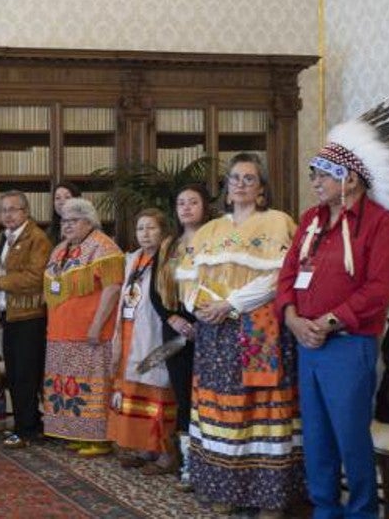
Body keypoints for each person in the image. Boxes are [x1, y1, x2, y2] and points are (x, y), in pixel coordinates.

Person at [275, 102, 389, 519]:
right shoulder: (310, 221)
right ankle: (324, 508)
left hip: (348, 345)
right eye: (314, 174)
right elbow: (285, 278)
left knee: (349, 435)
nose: (314, 182)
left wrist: (328, 322)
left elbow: (378, 289)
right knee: (315, 436)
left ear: (349, 177)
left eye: (322, 174)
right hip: (307, 344)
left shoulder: (381, 224)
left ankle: (362, 511)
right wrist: (294, 320)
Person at [186, 153, 299, 518]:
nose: (240, 183)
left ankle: (269, 498)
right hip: (214, 334)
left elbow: (276, 278)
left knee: (260, 410)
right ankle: (224, 488)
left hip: (257, 329)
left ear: (262, 187)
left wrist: (230, 304)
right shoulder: (210, 230)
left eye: (249, 178)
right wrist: (199, 306)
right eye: (235, 177)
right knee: (219, 410)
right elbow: (190, 279)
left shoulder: (278, 222)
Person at [41, 198, 124, 456]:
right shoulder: (60, 249)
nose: (66, 226)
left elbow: (112, 289)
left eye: (73, 221)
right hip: (61, 331)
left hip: (90, 332)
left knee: (91, 382)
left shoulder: (104, 247)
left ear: (89, 221)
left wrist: (97, 324)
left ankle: (98, 438)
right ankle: (76, 433)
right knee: (67, 384)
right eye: (64, 221)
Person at [151, 183, 216, 491]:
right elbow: (155, 292)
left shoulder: (217, 240)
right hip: (175, 329)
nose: (187, 208)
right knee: (183, 396)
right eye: (181, 203)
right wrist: (172, 318)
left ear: (205, 206)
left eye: (193, 202)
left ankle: (215, 465)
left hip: (211, 326)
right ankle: (189, 464)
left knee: (212, 398)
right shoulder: (168, 246)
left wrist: (201, 319)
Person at [107, 209, 177, 473]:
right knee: (133, 389)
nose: (145, 234)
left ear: (163, 231)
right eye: (140, 229)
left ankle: (164, 451)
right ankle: (142, 446)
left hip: (154, 333)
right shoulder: (133, 259)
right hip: (128, 331)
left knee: (156, 389)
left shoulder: (168, 259)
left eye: (151, 228)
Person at [0, 190, 53, 449]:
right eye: (4, 210)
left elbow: (35, 277)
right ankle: (22, 425)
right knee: (15, 375)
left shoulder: (37, 238)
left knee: (26, 375)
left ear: (26, 212)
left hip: (30, 315)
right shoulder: (3, 237)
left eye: (13, 209)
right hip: (10, 314)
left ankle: (28, 429)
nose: (8, 214)